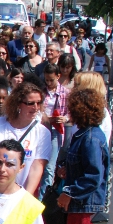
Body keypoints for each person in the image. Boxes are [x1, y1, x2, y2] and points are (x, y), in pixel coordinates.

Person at [51, 89, 109, 224]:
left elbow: (94, 176)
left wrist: (69, 192)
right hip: (81, 203)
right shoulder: (86, 134)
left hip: (86, 205)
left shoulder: (91, 138)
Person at [39, 63, 69, 196]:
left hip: (56, 131)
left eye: (52, 80)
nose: (49, 83)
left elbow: (71, 112)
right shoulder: (41, 92)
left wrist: (65, 118)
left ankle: (45, 198)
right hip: (41, 129)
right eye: (47, 80)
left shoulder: (65, 93)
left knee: (50, 167)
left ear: (58, 76)